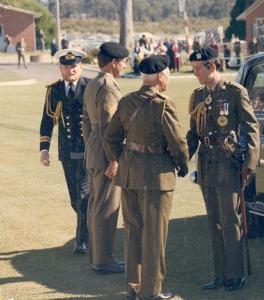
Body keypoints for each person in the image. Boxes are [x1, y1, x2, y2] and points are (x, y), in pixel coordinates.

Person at [105, 55, 189, 300]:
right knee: (154, 235)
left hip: (129, 175)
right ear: (161, 77)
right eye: (168, 76)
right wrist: (182, 167)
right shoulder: (163, 104)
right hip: (156, 177)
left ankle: (133, 286)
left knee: (133, 231)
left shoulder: (127, 101)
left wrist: (121, 158)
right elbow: (178, 142)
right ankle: (152, 291)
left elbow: (111, 137)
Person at [186, 47, 260, 292]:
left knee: (230, 221)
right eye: (194, 69)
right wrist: (180, 158)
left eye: (199, 69)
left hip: (228, 166)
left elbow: (251, 129)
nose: (195, 73)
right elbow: (193, 133)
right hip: (206, 166)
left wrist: (249, 165)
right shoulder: (197, 95)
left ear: (212, 66)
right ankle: (219, 275)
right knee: (214, 223)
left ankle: (235, 275)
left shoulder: (234, 92)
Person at [82, 42, 129, 274]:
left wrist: (91, 147)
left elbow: (86, 124)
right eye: (123, 62)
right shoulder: (108, 87)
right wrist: (113, 159)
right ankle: (103, 261)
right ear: (113, 63)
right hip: (105, 156)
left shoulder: (92, 83)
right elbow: (108, 126)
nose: (124, 66)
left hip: (93, 152)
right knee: (106, 208)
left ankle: (96, 257)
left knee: (95, 206)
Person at [39, 49, 91, 254]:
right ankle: (89, 231)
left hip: (88, 151)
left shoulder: (91, 87)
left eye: (75, 65)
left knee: (84, 194)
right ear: (60, 68)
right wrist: (44, 149)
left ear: (82, 67)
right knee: (75, 199)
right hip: (67, 151)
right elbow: (46, 120)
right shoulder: (54, 90)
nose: (71, 69)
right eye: (67, 66)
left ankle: (81, 241)